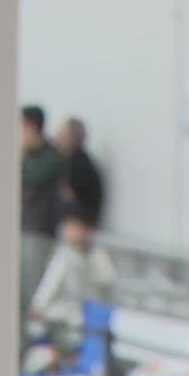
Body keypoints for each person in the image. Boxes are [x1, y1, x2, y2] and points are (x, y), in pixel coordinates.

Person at [27, 211, 116, 330]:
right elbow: (49, 285)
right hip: (66, 319)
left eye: (74, 227)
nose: (69, 232)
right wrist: (38, 307)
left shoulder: (99, 256)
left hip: (93, 319)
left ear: (87, 230)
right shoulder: (63, 256)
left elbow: (107, 282)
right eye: (68, 227)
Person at [21, 105, 65, 313]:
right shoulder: (29, 157)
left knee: (35, 291)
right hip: (24, 228)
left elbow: (31, 179)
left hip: (41, 230)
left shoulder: (50, 156)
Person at [54, 117, 105, 230]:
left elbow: (69, 197)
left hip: (79, 226)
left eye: (61, 134)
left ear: (71, 137)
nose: (56, 138)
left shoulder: (79, 166)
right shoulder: (71, 161)